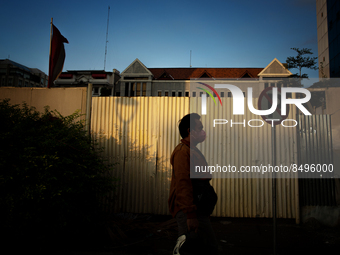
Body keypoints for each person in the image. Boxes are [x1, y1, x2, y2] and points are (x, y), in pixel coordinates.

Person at [168, 113, 218, 255]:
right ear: (190, 131)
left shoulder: (192, 150)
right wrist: (190, 215)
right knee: (193, 248)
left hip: (197, 210)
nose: (203, 131)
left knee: (205, 247)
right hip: (188, 211)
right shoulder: (182, 152)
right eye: (200, 128)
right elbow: (183, 184)